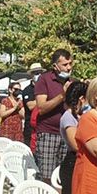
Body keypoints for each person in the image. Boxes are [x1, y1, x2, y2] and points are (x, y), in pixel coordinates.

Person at [56, 80, 90, 194]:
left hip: (81, 163)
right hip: (71, 163)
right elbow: (76, 144)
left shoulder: (82, 116)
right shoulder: (68, 118)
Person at [29, 49, 72, 181]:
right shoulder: (44, 79)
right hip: (48, 134)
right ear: (55, 66)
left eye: (70, 63)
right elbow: (41, 108)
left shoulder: (71, 81)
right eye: (65, 65)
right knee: (47, 176)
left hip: (67, 134)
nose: (69, 67)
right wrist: (62, 96)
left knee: (64, 178)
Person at [0, 77, 25, 143]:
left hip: (17, 131)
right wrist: (14, 108)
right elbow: (2, 114)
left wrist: (20, 107)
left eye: (19, 89)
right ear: (10, 90)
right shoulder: (5, 100)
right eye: (16, 89)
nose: (18, 91)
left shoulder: (20, 101)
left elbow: (23, 115)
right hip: (6, 130)